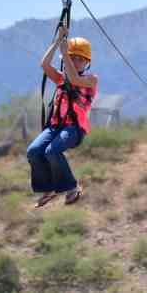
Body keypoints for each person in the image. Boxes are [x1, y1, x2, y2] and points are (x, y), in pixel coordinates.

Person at [27, 26, 98, 208]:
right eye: (73, 58)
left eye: (80, 59)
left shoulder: (91, 80)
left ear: (87, 63)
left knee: (52, 151)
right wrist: (58, 41)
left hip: (74, 128)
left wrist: (65, 55)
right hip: (55, 126)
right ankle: (48, 188)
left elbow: (74, 80)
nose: (75, 62)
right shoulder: (60, 78)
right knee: (34, 151)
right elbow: (44, 64)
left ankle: (72, 187)